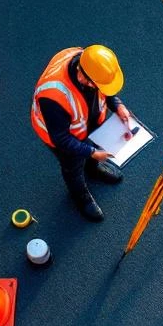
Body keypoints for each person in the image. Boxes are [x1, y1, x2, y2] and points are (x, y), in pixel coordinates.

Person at [30, 45, 132, 222]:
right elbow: (61, 139)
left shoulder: (91, 62)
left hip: (87, 123)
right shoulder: (53, 97)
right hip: (64, 138)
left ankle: (93, 169)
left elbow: (106, 91)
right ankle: (81, 197)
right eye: (97, 85)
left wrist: (117, 105)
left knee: (91, 149)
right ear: (83, 76)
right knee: (73, 168)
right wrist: (92, 152)